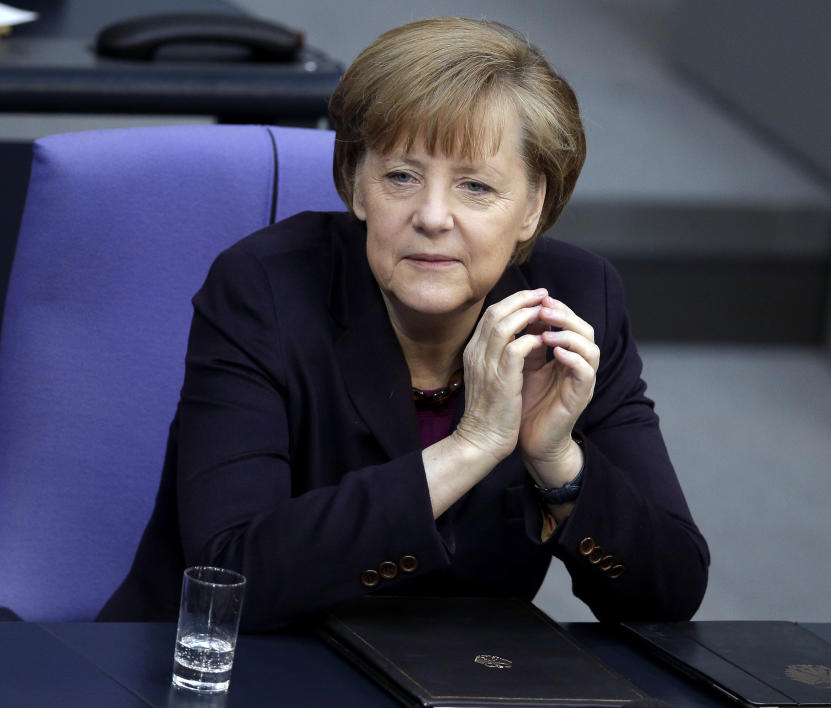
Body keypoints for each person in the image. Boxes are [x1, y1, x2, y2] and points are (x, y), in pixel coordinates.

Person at [98, 17, 709, 631]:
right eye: (401, 177)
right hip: (227, 672)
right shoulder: (263, 290)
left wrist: (558, 464)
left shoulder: (575, 302)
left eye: (475, 186)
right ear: (357, 186)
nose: (433, 216)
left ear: (532, 207)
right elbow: (231, 578)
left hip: (456, 681)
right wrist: (469, 448)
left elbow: (671, 592)